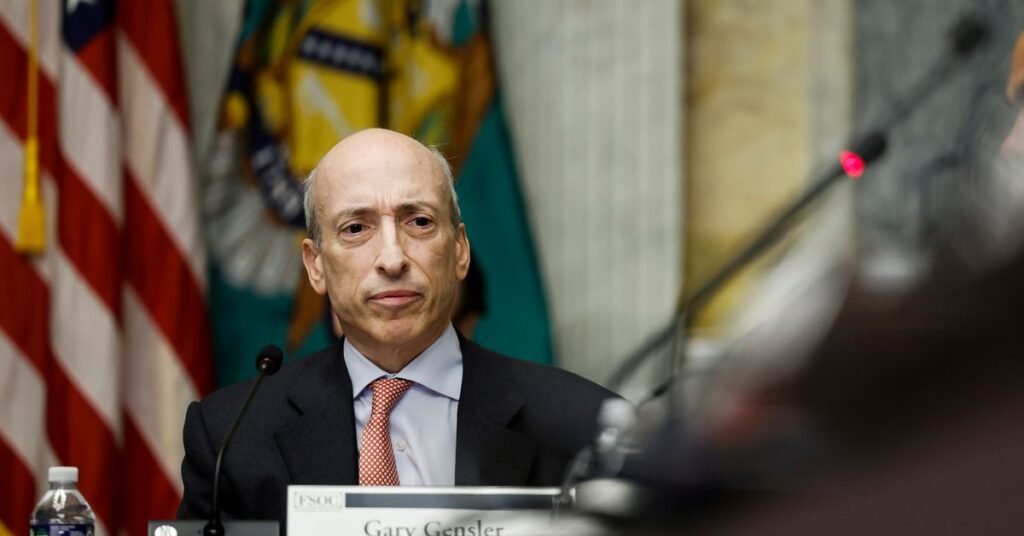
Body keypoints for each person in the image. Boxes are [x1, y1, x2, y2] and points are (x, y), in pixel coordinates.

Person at [177, 128, 617, 525]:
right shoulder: (231, 437)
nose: (392, 259)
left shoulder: (585, 427)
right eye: (356, 228)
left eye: (419, 222)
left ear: (460, 250)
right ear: (315, 266)